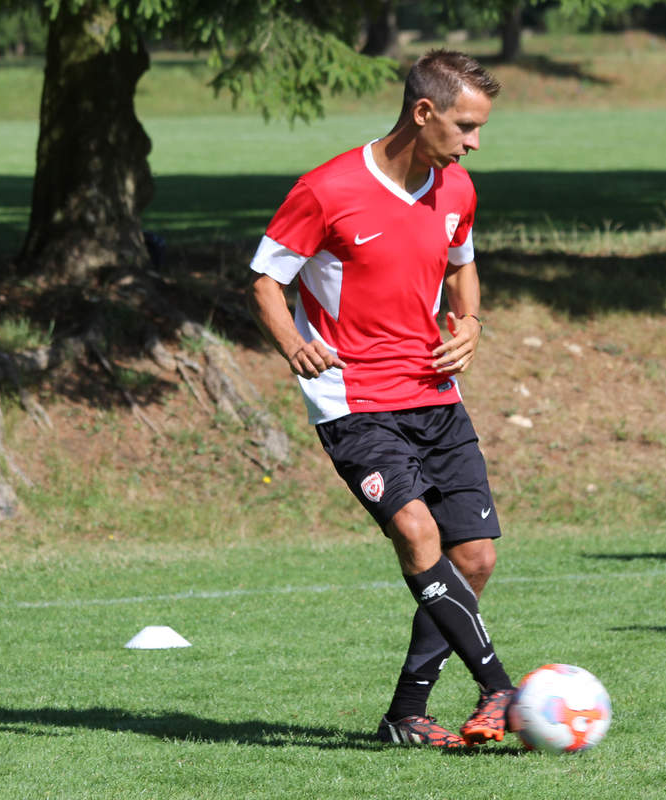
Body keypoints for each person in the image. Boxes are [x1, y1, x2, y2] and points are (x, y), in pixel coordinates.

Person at [247, 50, 514, 745]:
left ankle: (406, 714)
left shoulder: (457, 189)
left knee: (476, 556)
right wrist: (292, 344)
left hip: (434, 392)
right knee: (417, 534)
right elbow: (266, 280)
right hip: (354, 399)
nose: (474, 142)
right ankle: (500, 689)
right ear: (423, 113)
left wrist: (472, 326)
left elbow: (464, 266)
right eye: (465, 126)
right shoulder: (328, 189)